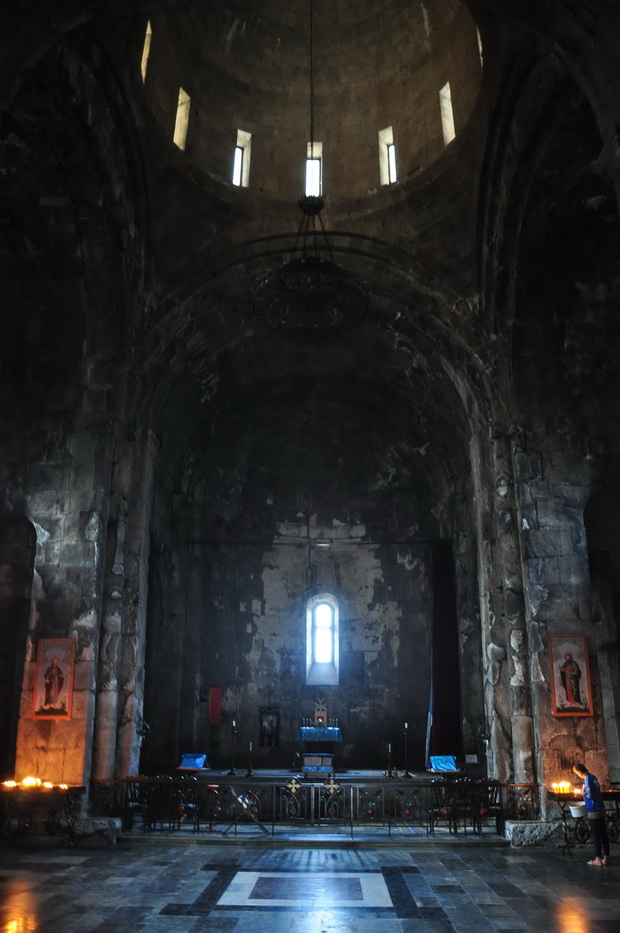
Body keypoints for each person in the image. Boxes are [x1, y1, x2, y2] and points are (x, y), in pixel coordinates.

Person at [572, 762, 610, 865]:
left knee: (596, 835)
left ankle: (598, 858)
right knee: (603, 834)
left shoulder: (587, 779)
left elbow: (590, 794)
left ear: (580, 771)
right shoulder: (593, 777)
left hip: (594, 810)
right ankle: (606, 856)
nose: (577, 775)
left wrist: (581, 793)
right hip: (600, 808)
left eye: (577, 773)